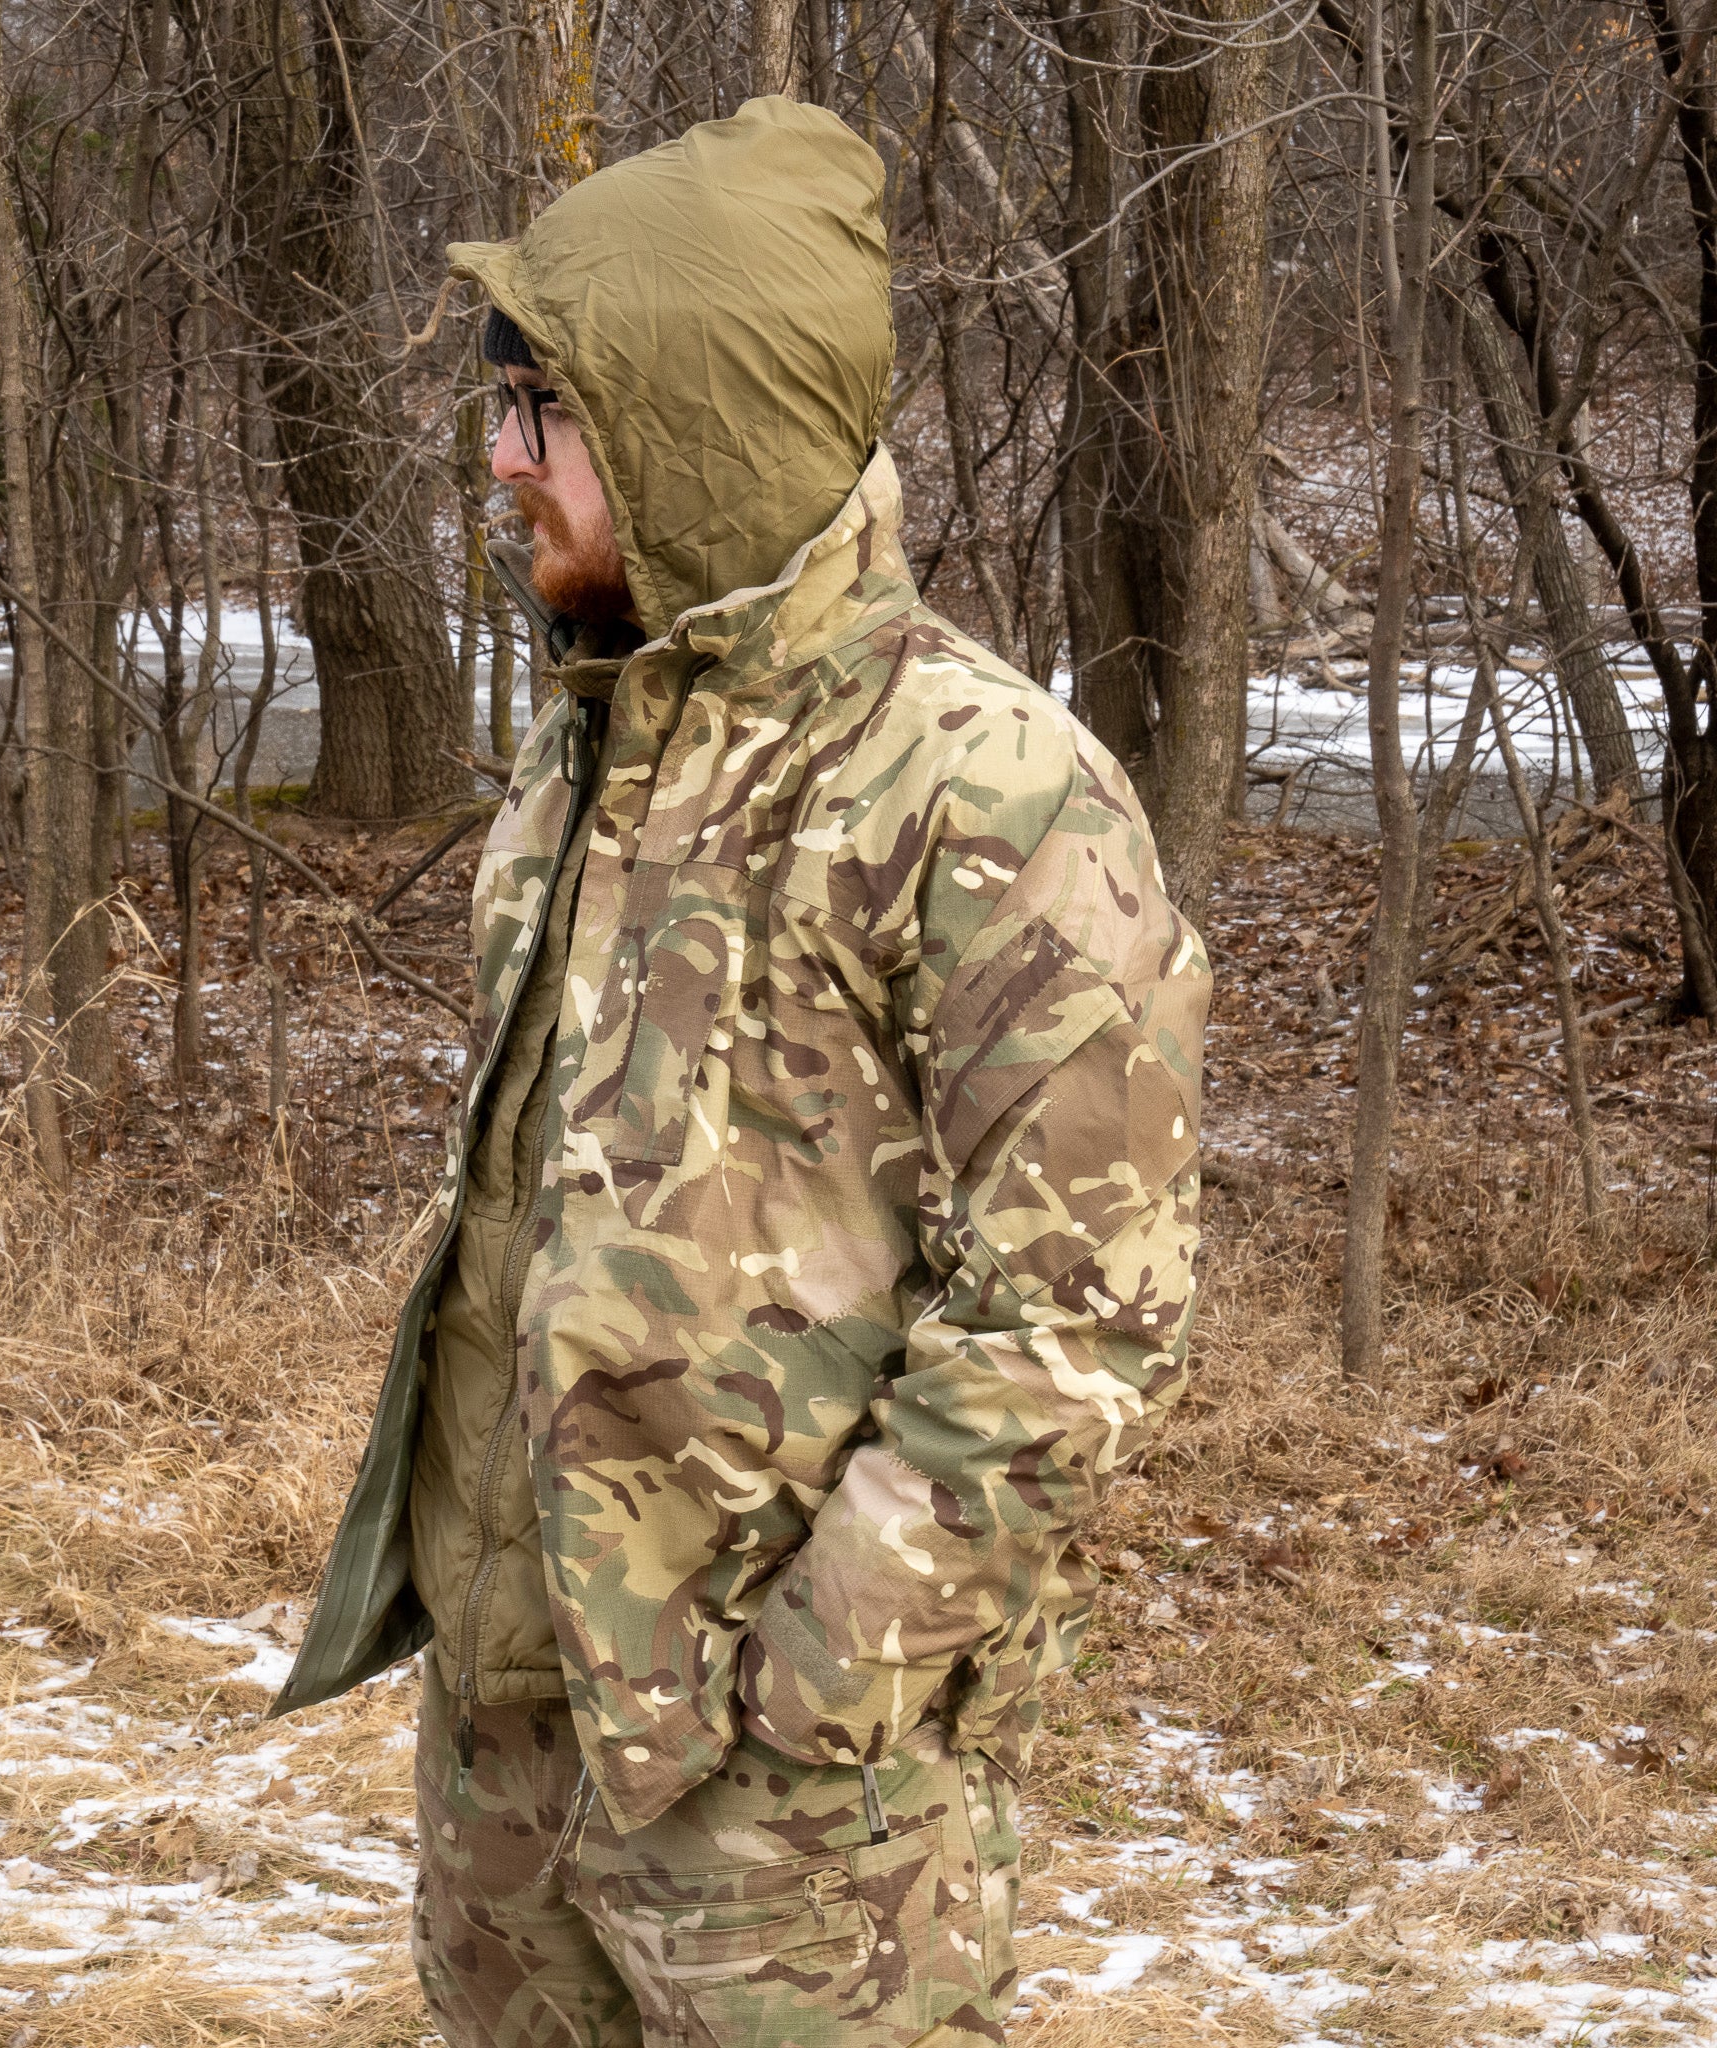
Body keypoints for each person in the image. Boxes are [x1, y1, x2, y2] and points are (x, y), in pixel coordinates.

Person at [274, 94, 1211, 2048]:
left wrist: (811, 1687)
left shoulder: (984, 788)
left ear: (694, 422)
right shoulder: (588, 747)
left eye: (541, 409)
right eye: (501, 405)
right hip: (510, 1730)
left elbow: (1076, 1319)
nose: (499, 460)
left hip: (787, 1812)